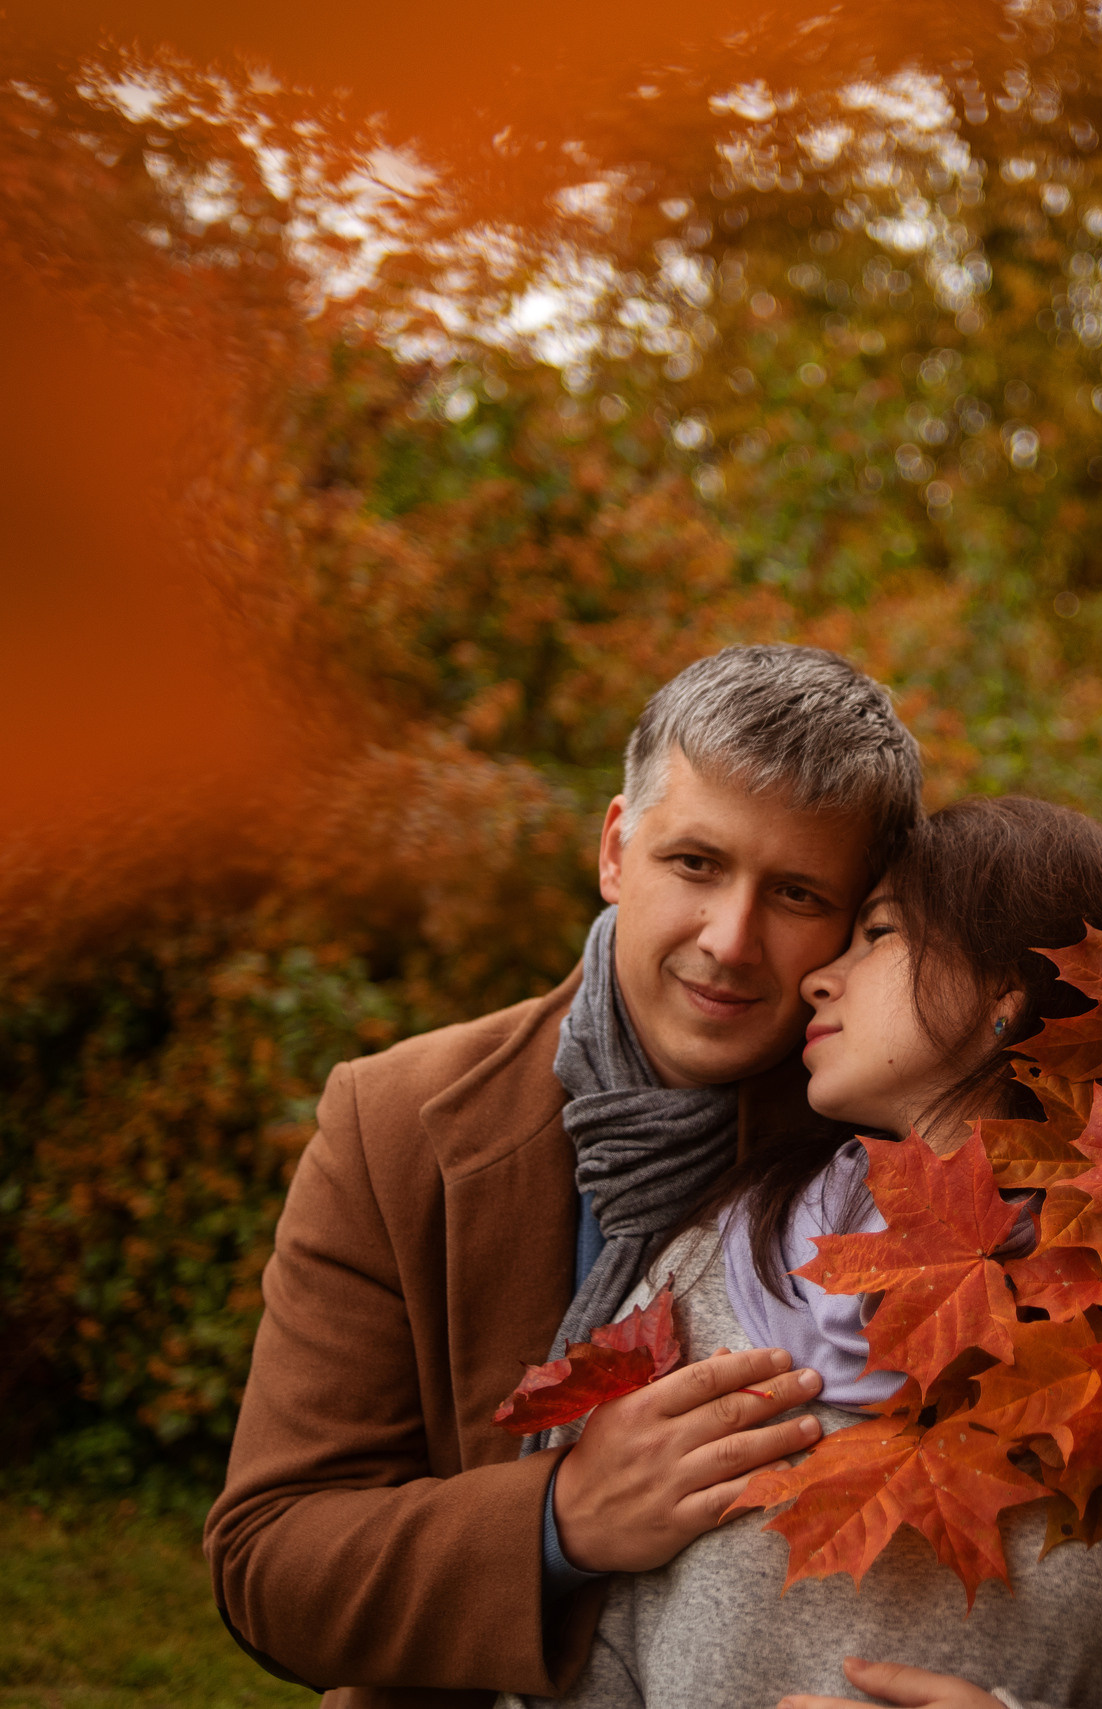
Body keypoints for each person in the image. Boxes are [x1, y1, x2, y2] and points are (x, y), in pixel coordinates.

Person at [205, 645, 924, 1709]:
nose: (728, 940)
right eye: (693, 863)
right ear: (614, 850)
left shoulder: (906, 1141)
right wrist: (562, 1516)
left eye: (795, 891)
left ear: (858, 918)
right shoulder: (397, 1120)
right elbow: (269, 1559)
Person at [506, 797, 1102, 1709]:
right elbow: (574, 1659)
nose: (819, 979)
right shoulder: (708, 1265)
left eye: (877, 934)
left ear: (1008, 992)